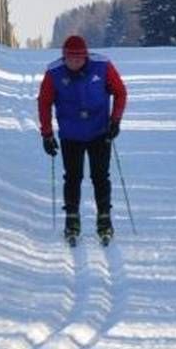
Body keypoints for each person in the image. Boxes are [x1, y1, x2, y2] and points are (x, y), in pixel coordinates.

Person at [38, 34, 128, 242]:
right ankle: (72, 219)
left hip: (99, 131)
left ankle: (104, 218)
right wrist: (47, 134)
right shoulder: (54, 72)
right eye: (71, 59)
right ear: (64, 57)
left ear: (86, 57)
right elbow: (44, 102)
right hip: (71, 133)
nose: (75, 63)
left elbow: (120, 92)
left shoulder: (103, 66)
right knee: (72, 177)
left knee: (100, 176)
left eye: (79, 59)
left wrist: (115, 121)